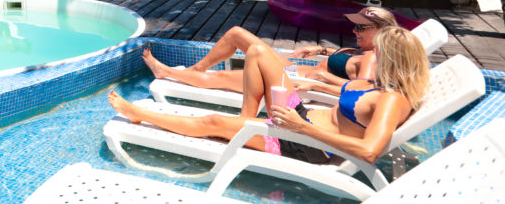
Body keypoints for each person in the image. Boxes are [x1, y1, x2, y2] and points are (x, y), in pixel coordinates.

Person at [109, 26, 429, 165]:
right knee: (260, 52)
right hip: (299, 120)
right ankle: (244, 123)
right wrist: (316, 87)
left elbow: (369, 151)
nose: (371, 53)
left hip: (304, 143)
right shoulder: (386, 87)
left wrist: (303, 128)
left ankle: (140, 116)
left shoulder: (392, 99)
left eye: (380, 51)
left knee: (211, 121)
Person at [141, 6, 397, 93]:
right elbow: (349, 60)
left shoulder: (373, 57)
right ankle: (196, 69)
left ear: (381, 30)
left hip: (291, 83)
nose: (355, 31)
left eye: (361, 29)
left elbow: (361, 92)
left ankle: (167, 73)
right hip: (296, 71)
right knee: (235, 34)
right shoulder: (367, 49)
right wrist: (320, 50)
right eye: (355, 27)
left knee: (218, 79)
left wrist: (322, 78)